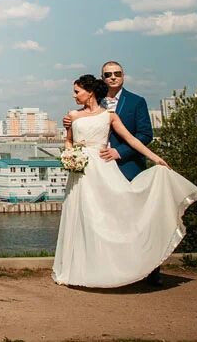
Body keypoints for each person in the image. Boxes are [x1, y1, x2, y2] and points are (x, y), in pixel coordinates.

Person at [52, 74, 197, 288]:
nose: (74, 95)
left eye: (77, 91)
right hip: (80, 172)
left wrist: (156, 158)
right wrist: (69, 157)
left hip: (103, 169)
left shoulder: (109, 116)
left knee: (109, 216)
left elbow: (131, 139)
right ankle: (81, 269)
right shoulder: (72, 116)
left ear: (90, 92)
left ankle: (116, 267)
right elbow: (68, 141)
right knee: (83, 218)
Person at [63, 60, 161, 283]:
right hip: (89, 172)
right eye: (108, 75)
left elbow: (142, 136)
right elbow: (71, 136)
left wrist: (122, 152)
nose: (113, 78)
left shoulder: (136, 102)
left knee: (132, 219)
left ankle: (146, 270)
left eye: (117, 74)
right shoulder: (79, 110)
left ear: (123, 75)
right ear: (101, 80)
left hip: (125, 166)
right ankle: (99, 268)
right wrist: (70, 140)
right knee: (96, 220)